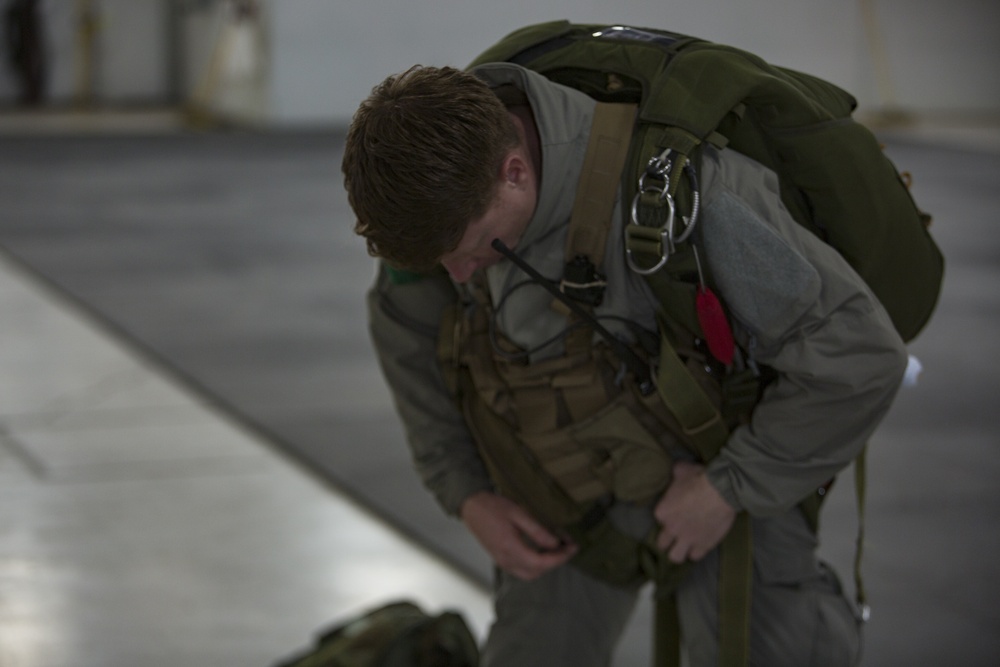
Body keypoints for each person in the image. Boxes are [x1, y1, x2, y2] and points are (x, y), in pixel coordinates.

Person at [342, 60, 908, 667]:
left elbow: (860, 354)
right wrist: (467, 493)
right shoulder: (437, 201)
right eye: (444, 263)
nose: (457, 276)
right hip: (562, 484)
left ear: (514, 173)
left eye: (475, 250)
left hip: (729, 472)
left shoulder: (697, 196)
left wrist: (728, 489)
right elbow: (406, 335)